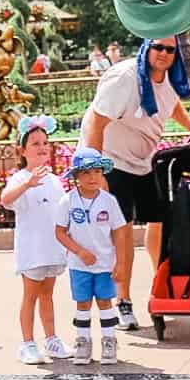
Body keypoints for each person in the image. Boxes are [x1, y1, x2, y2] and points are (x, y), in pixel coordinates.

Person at [79, 36, 190, 331]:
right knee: (121, 233)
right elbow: (96, 123)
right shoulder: (124, 79)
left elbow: (171, 104)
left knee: (159, 222)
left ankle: (160, 286)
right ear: (147, 48)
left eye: (170, 49)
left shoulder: (172, 77)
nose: (163, 54)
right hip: (111, 159)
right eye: (158, 47)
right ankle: (122, 301)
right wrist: (96, 173)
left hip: (144, 160)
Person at [0, 115, 72, 365]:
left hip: (52, 249)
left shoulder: (54, 180)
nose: (42, 148)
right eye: (35, 144)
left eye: (45, 143)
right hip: (32, 250)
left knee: (48, 295)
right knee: (30, 296)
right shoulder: (20, 178)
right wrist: (28, 184)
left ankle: (52, 339)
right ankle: (27, 343)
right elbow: (6, 200)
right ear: (22, 150)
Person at [56, 148, 128, 364]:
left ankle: (109, 342)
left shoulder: (109, 201)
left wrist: (121, 263)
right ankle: (83, 342)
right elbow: (59, 232)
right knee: (83, 303)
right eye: (86, 173)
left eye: (97, 172)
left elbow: (119, 233)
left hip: (105, 265)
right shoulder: (67, 201)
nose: (92, 177)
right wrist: (80, 251)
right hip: (79, 266)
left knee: (105, 302)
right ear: (76, 176)